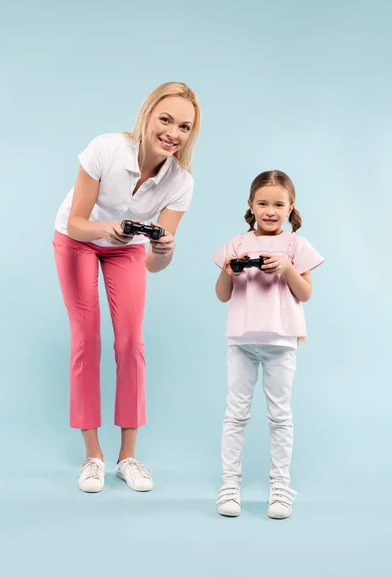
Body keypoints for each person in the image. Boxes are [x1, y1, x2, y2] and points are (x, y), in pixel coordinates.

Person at [53, 82, 201, 493]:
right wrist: (108, 228)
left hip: (128, 250)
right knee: (86, 337)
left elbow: (154, 264)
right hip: (78, 239)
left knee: (130, 343)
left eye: (184, 127)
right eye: (166, 120)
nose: (173, 133)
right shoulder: (106, 149)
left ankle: (127, 457)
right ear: (148, 116)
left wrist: (166, 247)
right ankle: (93, 456)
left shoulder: (181, 182)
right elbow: (76, 222)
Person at [211, 170, 324, 519]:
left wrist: (287, 269)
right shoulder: (237, 244)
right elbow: (221, 296)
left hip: (280, 341)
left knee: (279, 416)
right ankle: (230, 484)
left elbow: (304, 293)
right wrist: (228, 272)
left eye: (278, 204)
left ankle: (280, 486)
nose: (270, 211)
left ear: (291, 207)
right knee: (236, 414)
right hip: (242, 340)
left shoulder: (295, 245)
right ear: (251, 205)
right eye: (263, 203)